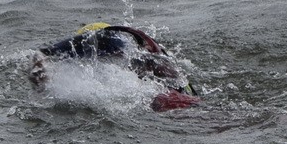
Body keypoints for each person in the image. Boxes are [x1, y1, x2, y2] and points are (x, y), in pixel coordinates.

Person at [30, 23, 200, 111]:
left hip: (168, 101)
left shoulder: (110, 39)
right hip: (185, 100)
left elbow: (42, 53)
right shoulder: (154, 54)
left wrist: (41, 64)